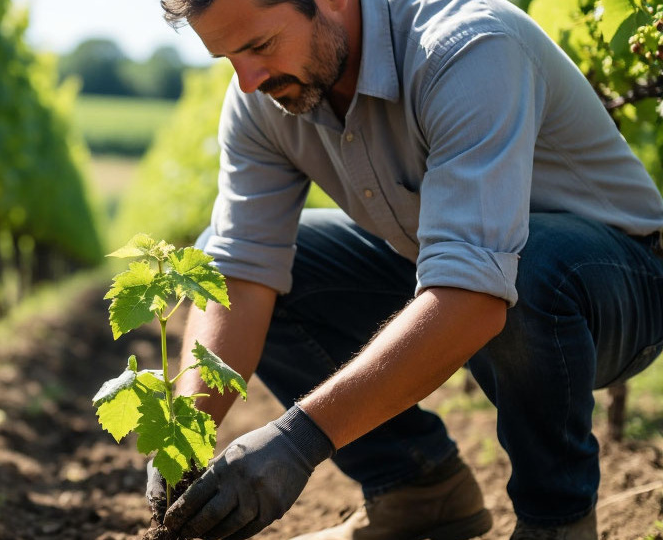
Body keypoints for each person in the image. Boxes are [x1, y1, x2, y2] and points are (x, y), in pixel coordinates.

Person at [143, 0, 663, 538]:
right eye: (228, 56)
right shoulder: (263, 100)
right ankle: (419, 493)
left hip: (617, 289)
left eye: (259, 46)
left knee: (518, 264)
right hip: (454, 273)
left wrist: (299, 440)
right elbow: (241, 272)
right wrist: (186, 433)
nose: (248, 80)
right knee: (246, 262)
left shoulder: (465, 48)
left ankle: (557, 522)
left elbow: (476, 293)